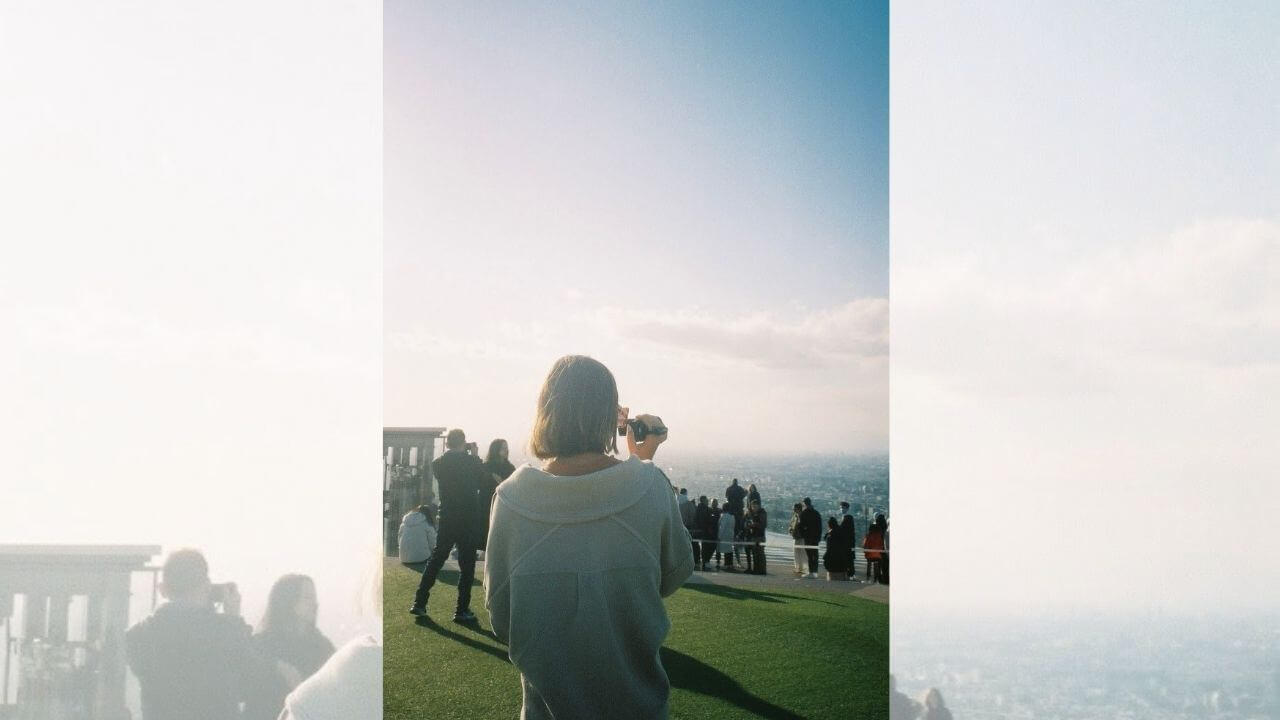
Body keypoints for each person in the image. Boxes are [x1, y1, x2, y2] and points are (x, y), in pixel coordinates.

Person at [485, 354, 692, 720]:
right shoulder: (650, 487)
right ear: (611, 417)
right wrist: (642, 462)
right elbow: (674, 572)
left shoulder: (511, 500)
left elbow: (501, 614)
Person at [125, 549, 277, 720]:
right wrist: (234, 620)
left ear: (162, 589)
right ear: (206, 586)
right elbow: (250, 682)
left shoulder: (138, 635)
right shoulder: (224, 631)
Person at [409, 427, 487, 622]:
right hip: (468, 519)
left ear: (447, 443)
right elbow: (481, 480)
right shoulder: (470, 462)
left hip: (448, 517)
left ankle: (420, 602)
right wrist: (476, 456)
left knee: (436, 560)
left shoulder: (439, 464)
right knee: (467, 565)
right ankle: (461, 610)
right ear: (463, 442)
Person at [243, 574, 336, 720]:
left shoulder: (323, 648)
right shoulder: (262, 645)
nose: (315, 603)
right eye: (307, 598)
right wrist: (277, 667)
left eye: (314, 597)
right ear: (289, 602)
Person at [479, 439, 517, 552]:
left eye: (507, 448)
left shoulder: (510, 467)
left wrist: (501, 482)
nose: (506, 450)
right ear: (496, 450)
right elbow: (481, 484)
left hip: (503, 504)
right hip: (486, 504)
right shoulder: (486, 467)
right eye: (503, 448)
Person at [799, 497, 823, 578]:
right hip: (815, 537)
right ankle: (815, 572)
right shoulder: (816, 513)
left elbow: (800, 526)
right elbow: (820, 527)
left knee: (809, 555)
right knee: (815, 555)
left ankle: (811, 572)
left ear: (804, 504)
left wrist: (803, 534)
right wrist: (819, 537)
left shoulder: (804, 513)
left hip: (808, 537)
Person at [724, 478, 746, 565]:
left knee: (729, 540)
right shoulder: (740, 489)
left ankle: (728, 561)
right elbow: (743, 496)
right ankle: (738, 560)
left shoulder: (729, 489)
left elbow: (727, 497)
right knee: (737, 533)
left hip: (731, 512)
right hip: (739, 514)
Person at [744, 499, 767, 575]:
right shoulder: (749, 513)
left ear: (759, 506)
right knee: (755, 553)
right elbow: (745, 521)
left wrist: (754, 524)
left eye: (755, 506)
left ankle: (762, 570)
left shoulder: (762, 513)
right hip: (752, 535)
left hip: (759, 535)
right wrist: (748, 525)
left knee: (760, 553)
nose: (754, 508)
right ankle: (755, 569)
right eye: (753, 506)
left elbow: (763, 525)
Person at [864, 514, 887, 584]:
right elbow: (881, 544)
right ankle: (876, 579)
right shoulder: (880, 534)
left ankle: (868, 578)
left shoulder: (868, 535)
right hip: (878, 554)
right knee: (877, 566)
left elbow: (865, 545)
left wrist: (865, 551)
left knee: (869, 565)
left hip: (869, 554)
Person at [677, 488, 697, 565]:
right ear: (686, 493)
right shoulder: (688, 503)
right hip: (687, 526)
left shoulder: (676, 501)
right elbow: (692, 515)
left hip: (678, 525)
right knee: (688, 543)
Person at [694, 495, 714, 570]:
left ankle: (701, 560)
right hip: (705, 530)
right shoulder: (705, 509)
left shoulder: (698, 508)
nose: (707, 501)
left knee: (702, 546)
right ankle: (705, 561)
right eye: (706, 500)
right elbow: (705, 520)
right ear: (703, 501)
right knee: (707, 546)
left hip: (700, 530)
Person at [717, 498, 737, 571]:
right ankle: (729, 564)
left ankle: (726, 564)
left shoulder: (724, 516)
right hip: (730, 534)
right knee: (729, 550)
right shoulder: (732, 516)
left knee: (725, 550)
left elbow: (722, 527)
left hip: (724, 535)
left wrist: (719, 536)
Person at [839, 502, 857, 581]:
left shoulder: (848, 518)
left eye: (843, 508)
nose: (842, 509)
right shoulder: (846, 517)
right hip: (848, 543)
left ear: (847, 509)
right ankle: (850, 574)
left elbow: (844, 530)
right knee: (849, 559)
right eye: (841, 508)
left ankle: (850, 574)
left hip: (847, 543)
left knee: (848, 559)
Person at [788, 503, 805, 575]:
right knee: (796, 553)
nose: (793, 510)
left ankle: (803, 568)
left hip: (801, 537)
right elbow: (791, 525)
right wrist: (790, 530)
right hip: (795, 537)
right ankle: (797, 568)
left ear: (798, 509)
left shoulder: (803, 516)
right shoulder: (794, 516)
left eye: (794, 508)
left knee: (802, 553)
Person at [708, 499, 723, 569]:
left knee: (716, 547)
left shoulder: (718, 511)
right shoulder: (710, 510)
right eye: (713, 502)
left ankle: (717, 560)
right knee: (714, 547)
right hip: (713, 531)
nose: (714, 504)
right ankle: (716, 560)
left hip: (716, 531)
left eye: (715, 502)